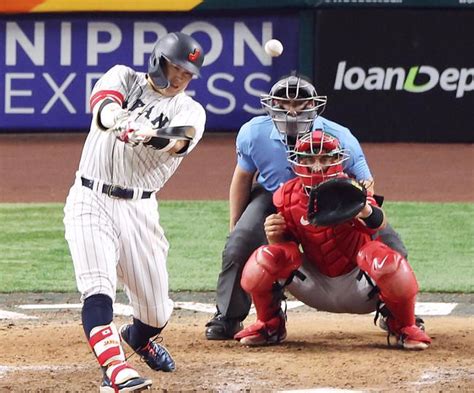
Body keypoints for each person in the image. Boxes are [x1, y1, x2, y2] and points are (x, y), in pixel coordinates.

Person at [205, 74, 408, 340]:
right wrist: (235, 223)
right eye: (284, 103)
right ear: (271, 104)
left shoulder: (340, 136)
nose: (292, 110)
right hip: (274, 194)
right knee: (239, 243)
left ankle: (398, 314)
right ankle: (229, 316)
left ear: (314, 105)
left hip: (329, 193)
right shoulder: (253, 133)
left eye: (300, 103)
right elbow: (243, 177)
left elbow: (365, 182)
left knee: (392, 246)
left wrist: (364, 212)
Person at [63, 32, 205, 392]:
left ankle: (139, 337)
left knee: (157, 313)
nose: (179, 79)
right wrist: (119, 120)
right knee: (97, 287)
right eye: (176, 68)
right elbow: (103, 106)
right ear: (159, 61)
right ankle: (114, 369)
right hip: (90, 197)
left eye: (187, 74)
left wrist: (149, 133)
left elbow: (180, 141)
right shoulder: (122, 76)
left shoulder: (190, 110)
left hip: (140, 210)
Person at [234, 130, 432, 350]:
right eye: (309, 159)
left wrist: (364, 209)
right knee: (264, 258)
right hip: (314, 285)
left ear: (338, 160)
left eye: (325, 159)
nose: (317, 166)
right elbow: (285, 251)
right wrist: (275, 236)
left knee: (383, 258)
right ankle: (269, 325)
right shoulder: (286, 196)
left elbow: (378, 223)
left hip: (360, 288)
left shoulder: (353, 190)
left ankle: (403, 326)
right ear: (297, 162)